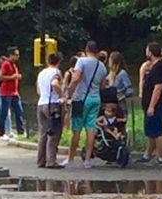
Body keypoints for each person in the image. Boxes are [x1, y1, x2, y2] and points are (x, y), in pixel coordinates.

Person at [61, 40, 107, 169]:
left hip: (81, 99)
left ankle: (70, 159)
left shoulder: (81, 61)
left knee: (76, 129)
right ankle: (87, 160)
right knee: (91, 129)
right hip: (95, 99)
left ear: (86, 49)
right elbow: (103, 85)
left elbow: (75, 79)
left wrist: (68, 94)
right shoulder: (102, 66)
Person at [141, 42, 162, 165]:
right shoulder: (157, 66)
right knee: (151, 130)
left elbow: (158, 87)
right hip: (153, 103)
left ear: (151, 52)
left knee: (157, 130)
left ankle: (160, 157)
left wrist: (152, 106)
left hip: (158, 104)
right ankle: (147, 154)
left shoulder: (159, 67)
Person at [36, 51, 65, 168]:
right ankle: (51, 161)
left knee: (43, 133)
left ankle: (40, 161)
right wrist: (62, 95)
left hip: (41, 103)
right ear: (59, 62)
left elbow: (38, 90)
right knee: (54, 132)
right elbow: (55, 84)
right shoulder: (56, 72)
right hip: (52, 104)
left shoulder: (41, 73)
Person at [0, 46, 24, 140]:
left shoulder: (14, 65)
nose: (18, 57)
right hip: (6, 92)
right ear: (11, 55)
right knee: (4, 113)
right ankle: (2, 133)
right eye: (16, 55)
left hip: (14, 92)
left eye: (18, 55)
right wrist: (13, 77)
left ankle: (21, 131)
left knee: (19, 111)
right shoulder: (6, 64)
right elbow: (0, 77)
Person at [107, 51, 133, 116]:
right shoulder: (109, 74)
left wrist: (122, 96)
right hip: (110, 104)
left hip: (120, 104)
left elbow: (129, 89)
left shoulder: (122, 73)